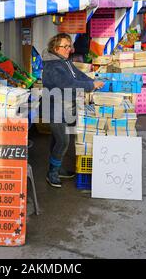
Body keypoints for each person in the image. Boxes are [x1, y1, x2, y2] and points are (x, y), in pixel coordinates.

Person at [42, 34, 104, 188]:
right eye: (65, 46)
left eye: (70, 46)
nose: (69, 49)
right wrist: (91, 86)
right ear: (56, 48)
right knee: (63, 141)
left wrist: (91, 81)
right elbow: (68, 84)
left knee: (58, 140)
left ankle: (57, 168)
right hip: (54, 108)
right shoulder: (53, 66)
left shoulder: (64, 61)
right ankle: (52, 173)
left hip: (64, 107)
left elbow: (78, 75)